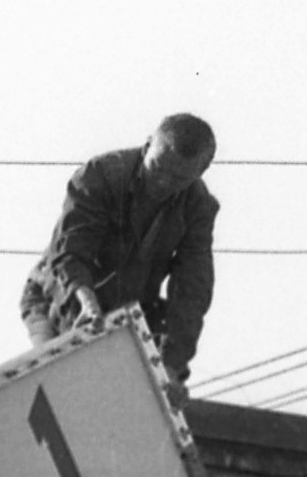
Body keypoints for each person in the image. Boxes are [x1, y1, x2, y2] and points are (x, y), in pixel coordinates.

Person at [19, 113, 218, 386]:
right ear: (148, 146)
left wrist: (172, 366)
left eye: (178, 179)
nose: (163, 183)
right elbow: (70, 253)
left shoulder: (198, 207)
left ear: (199, 173)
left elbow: (192, 291)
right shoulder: (99, 176)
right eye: (158, 167)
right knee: (58, 383)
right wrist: (87, 304)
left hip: (129, 314)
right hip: (59, 296)